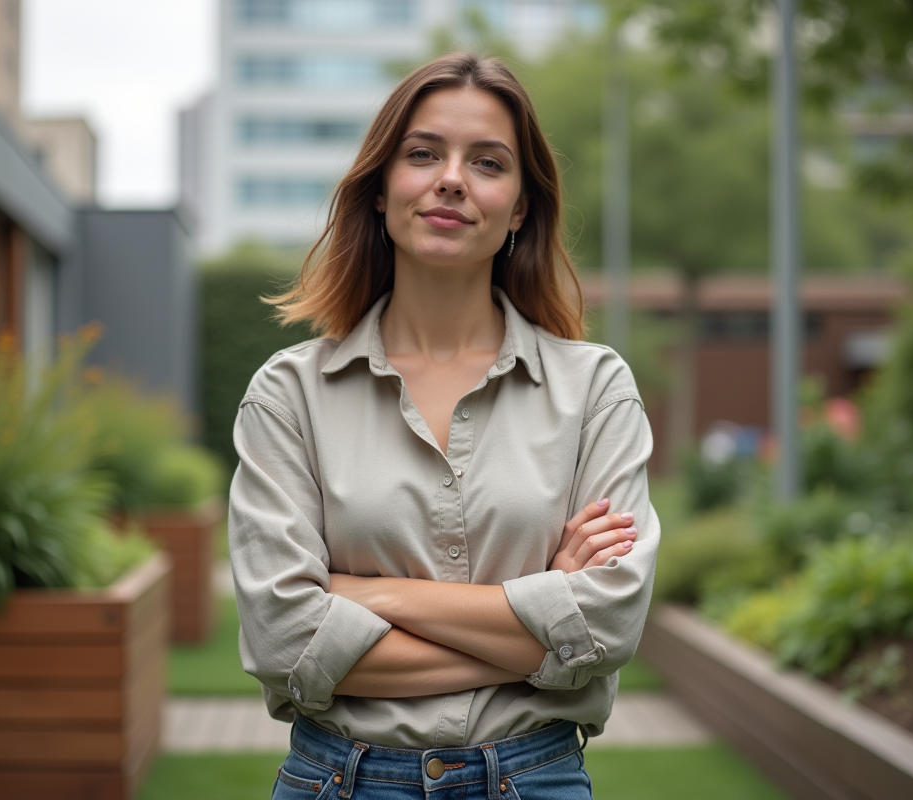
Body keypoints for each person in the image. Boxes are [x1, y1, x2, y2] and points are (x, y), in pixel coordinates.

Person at [228, 52, 659, 800]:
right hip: (338, 780)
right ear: (381, 189)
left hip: (536, 779)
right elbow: (287, 642)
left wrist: (369, 595)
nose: (451, 178)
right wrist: (542, 617)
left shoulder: (596, 390)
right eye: (423, 154)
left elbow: (605, 628)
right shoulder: (288, 395)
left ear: (521, 207)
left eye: (487, 162)